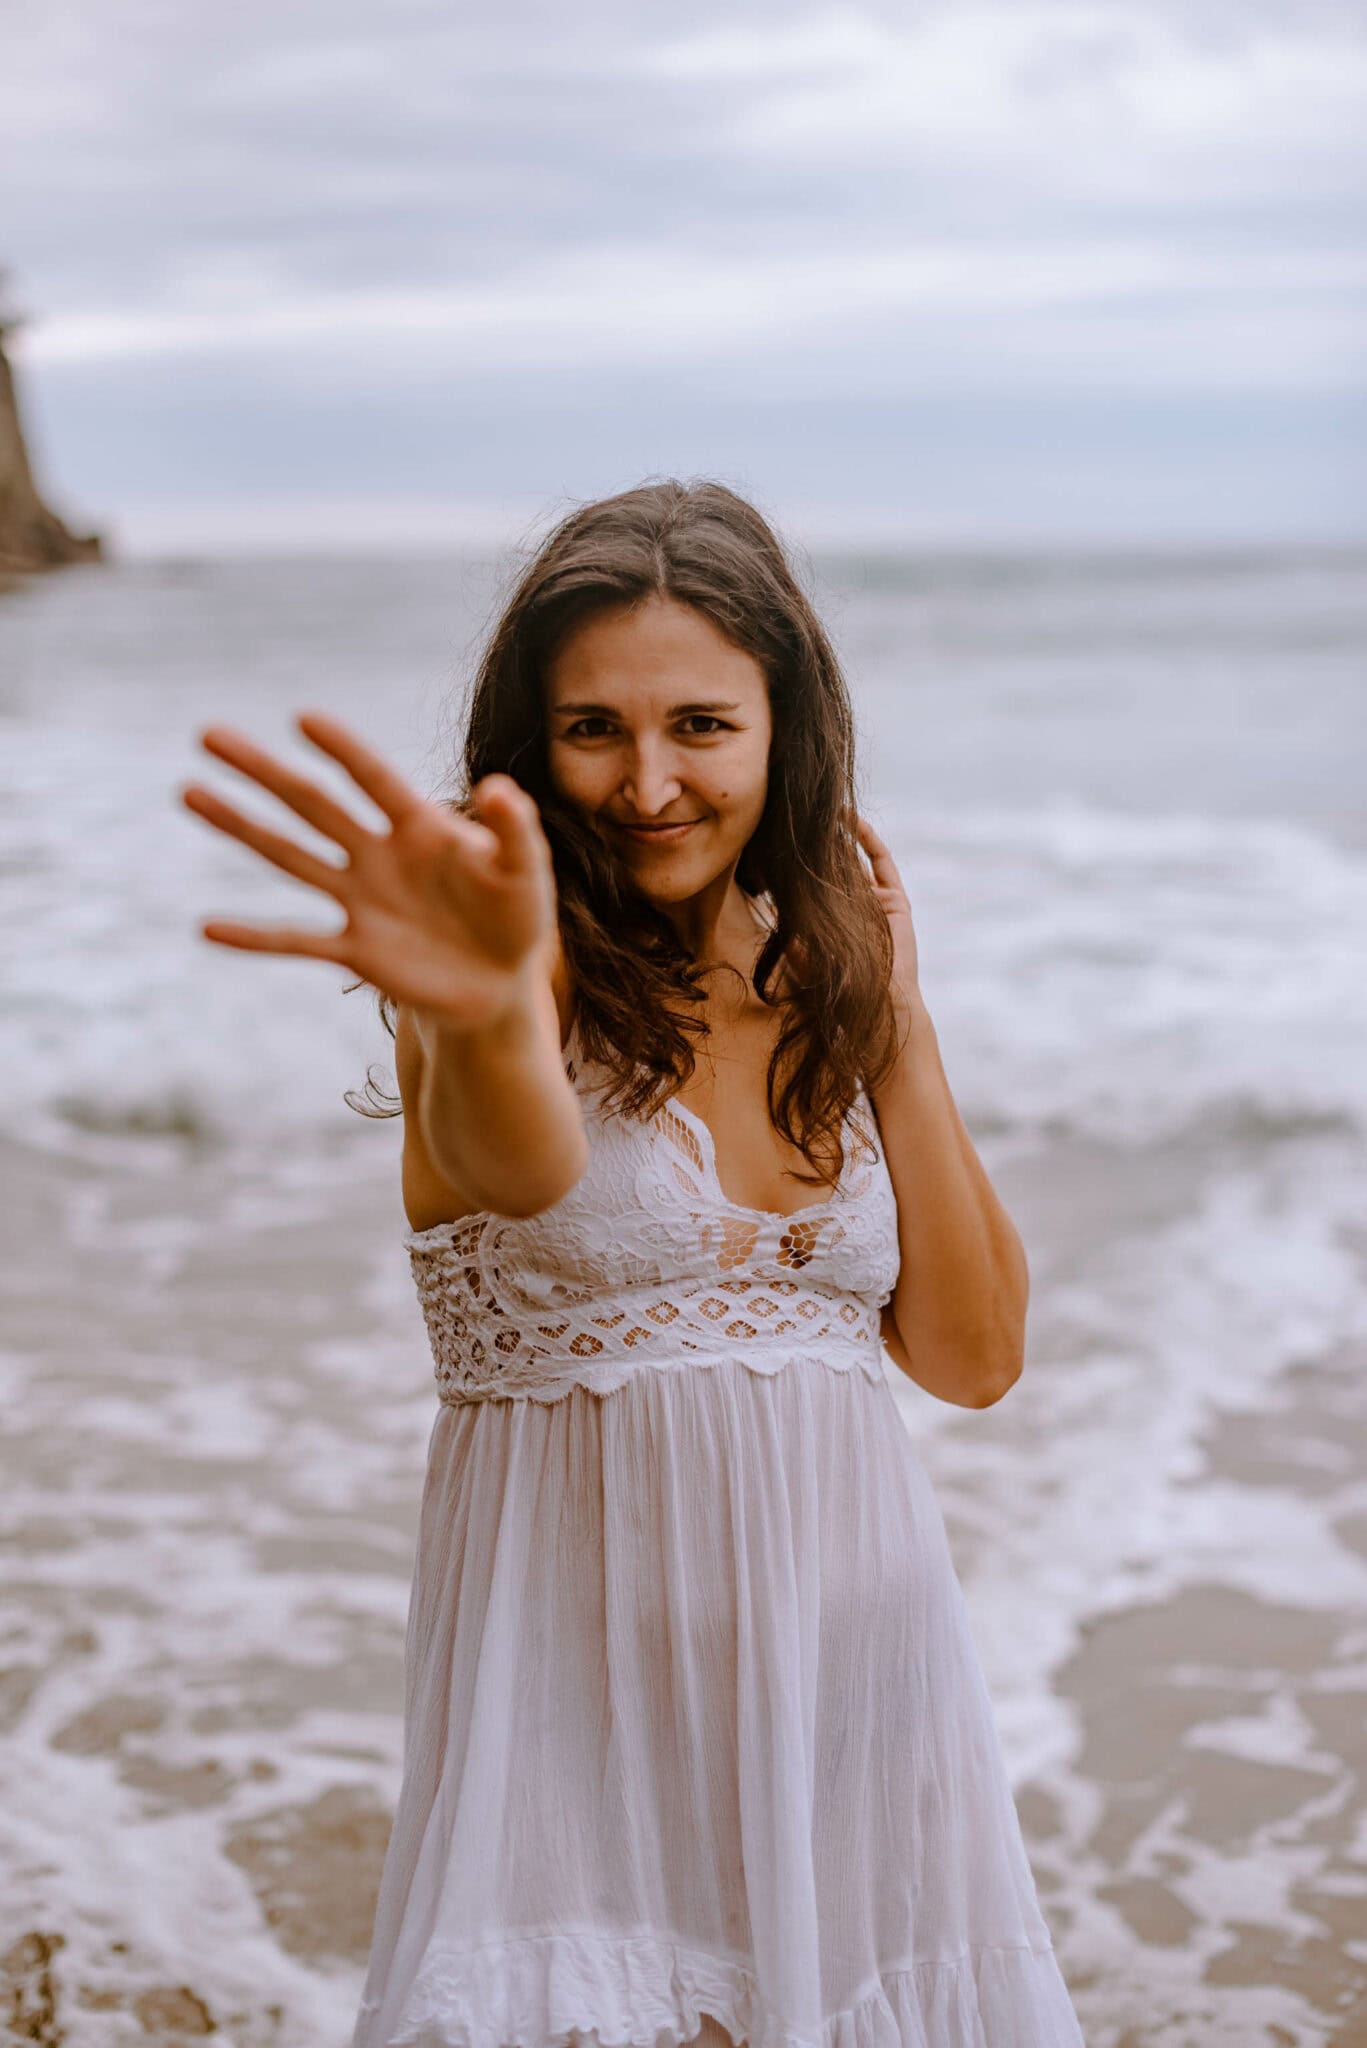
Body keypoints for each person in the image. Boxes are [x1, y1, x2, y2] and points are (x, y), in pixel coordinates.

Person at [182, 481, 1085, 2048]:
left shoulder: (832, 981)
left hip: (860, 1703)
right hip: (575, 1724)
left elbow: (974, 1357)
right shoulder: (490, 968)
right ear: (529, 744)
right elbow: (518, 1164)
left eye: (702, 729)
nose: (649, 784)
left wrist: (902, 1023)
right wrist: (469, 1006)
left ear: (785, 731)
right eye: (593, 729)